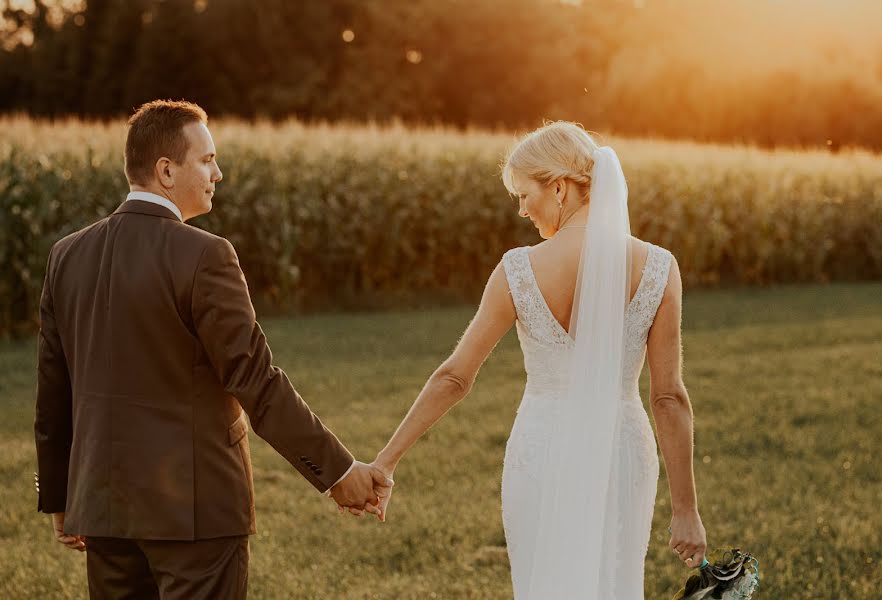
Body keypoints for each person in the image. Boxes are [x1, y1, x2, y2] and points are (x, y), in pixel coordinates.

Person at [33, 99, 391, 600]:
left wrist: (59, 498)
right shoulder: (205, 255)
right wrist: (339, 472)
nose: (217, 173)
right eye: (206, 160)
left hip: (103, 508)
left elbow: (53, 396)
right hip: (196, 514)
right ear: (165, 170)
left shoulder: (65, 255)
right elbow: (255, 380)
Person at [368, 122, 707, 598]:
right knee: (615, 582)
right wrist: (685, 510)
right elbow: (669, 397)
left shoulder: (518, 270)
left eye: (525, 195)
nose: (522, 210)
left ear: (560, 187)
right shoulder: (657, 267)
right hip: (622, 450)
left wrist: (386, 462)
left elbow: (454, 377)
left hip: (541, 448)